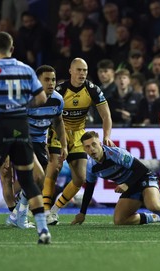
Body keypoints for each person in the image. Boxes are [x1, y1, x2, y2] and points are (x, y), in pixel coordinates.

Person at [0, 31, 50, 244]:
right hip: (20, 126)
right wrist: (21, 105)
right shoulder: (26, 70)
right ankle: (43, 230)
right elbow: (41, 98)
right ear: (12, 48)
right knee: (28, 180)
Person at [70, 131, 160, 225]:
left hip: (144, 178)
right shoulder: (91, 167)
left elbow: (142, 169)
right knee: (120, 221)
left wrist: (126, 185)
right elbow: (89, 189)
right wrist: (82, 213)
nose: (92, 149)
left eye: (94, 144)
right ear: (84, 149)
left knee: (153, 205)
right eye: (87, 147)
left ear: (100, 144)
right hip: (130, 186)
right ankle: (157, 218)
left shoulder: (116, 153)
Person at [45, 58, 114, 225]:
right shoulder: (60, 90)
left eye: (85, 70)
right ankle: (44, 211)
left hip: (78, 135)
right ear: (70, 71)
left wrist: (106, 136)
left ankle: (54, 211)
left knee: (80, 178)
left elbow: (106, 115)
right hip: (57, 132)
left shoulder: (92, 90)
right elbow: (47, 117)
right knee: (54, 169)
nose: (82, 73)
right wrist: (44, 140)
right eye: (79, 70)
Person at [5, 65, 68, 228]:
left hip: (39, 141)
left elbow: (58, 122)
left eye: (53, 79)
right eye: (46, 79)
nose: (51, 83)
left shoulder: (58, 99)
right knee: (35, 177)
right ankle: (21, 217)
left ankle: (15, 215)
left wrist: (64, 145)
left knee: (38, 181)